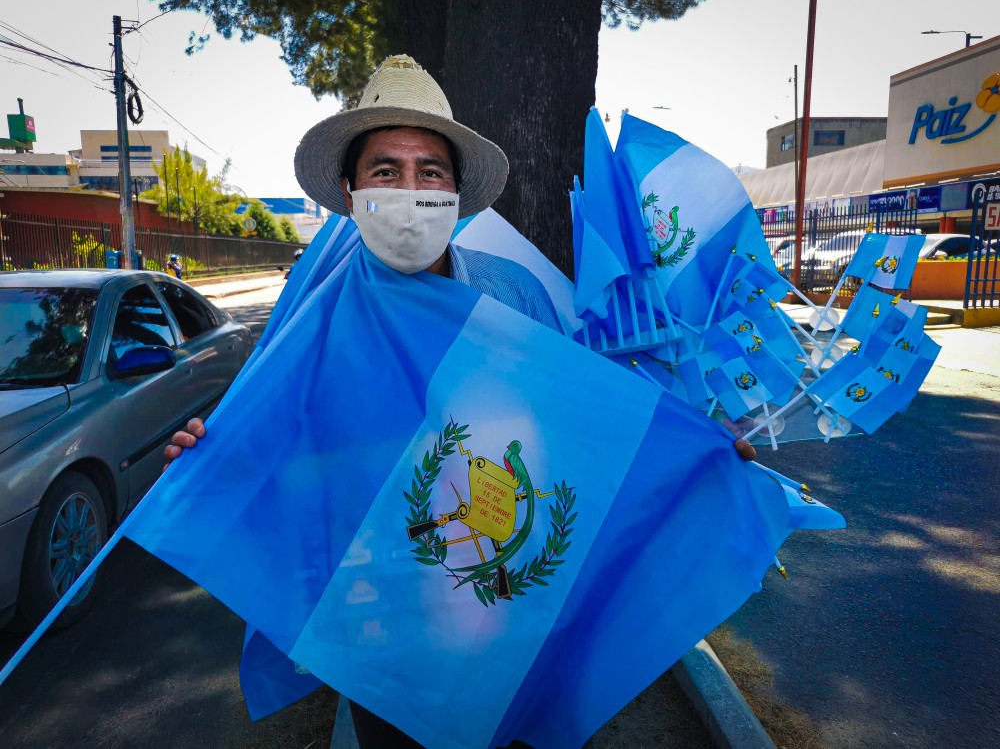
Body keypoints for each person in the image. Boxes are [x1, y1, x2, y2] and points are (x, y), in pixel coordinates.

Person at [164, 54, 756, 748]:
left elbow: (590, 420)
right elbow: (276, 461)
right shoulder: (311, 329)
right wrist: (207, 456)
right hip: (380, 620)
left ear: (455, 191)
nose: (410, 190)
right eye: (386, 171)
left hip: (508, 595)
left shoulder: (514, 297)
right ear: (351, 191)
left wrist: (697, 451)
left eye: (430, 172)